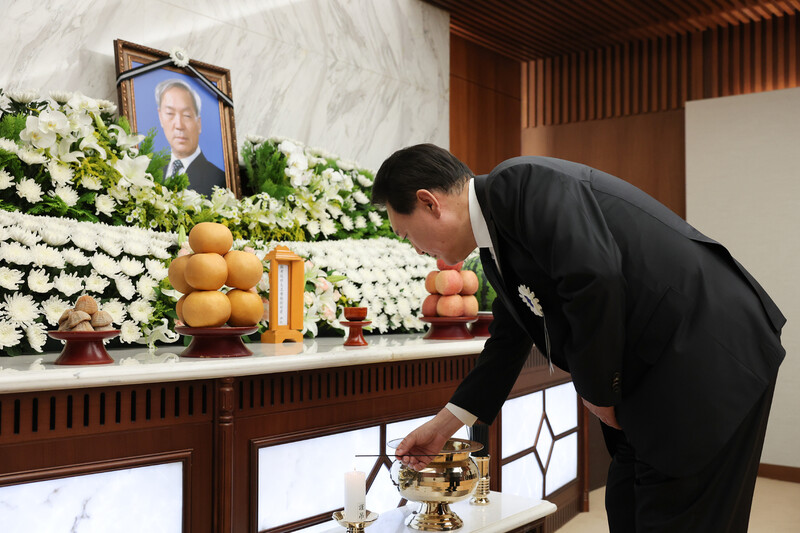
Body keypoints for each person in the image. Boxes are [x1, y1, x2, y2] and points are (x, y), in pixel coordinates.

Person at [371, 144, 785, 533]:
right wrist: (445, 425)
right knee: (629, 509)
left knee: (682, 516)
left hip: (708, 356)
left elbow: (593, 279)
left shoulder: (521, 182)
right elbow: (509, 339)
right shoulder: (497, 243)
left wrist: (598, 393)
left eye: (407, 234)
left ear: (429, 202)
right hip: (658, 373)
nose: (417, 250)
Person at [155, 78, 225, 196]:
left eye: (187, 115)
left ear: (198, 123)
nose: (179, 125)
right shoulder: (151, 170)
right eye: (170, 114)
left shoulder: (220, 180)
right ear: (161, 117)